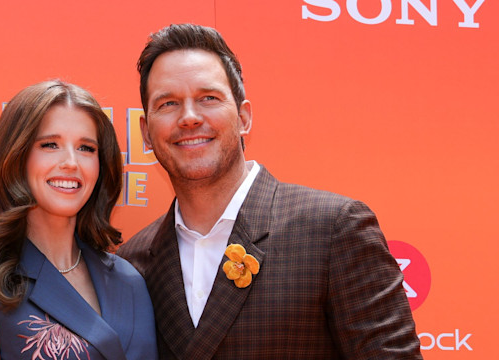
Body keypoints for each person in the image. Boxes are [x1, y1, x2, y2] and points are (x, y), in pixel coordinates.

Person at [117, 24, 422, 359]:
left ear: (244, 117)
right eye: (168, 103)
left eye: (208, 98)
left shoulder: (333, 229)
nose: (189, 117)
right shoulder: (132, 262)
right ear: (146, 132)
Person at [0, 80, 157, 360]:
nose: (71, 162)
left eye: (86, 148)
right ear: (16, 156)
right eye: (50, 144)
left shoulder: (129, 280)